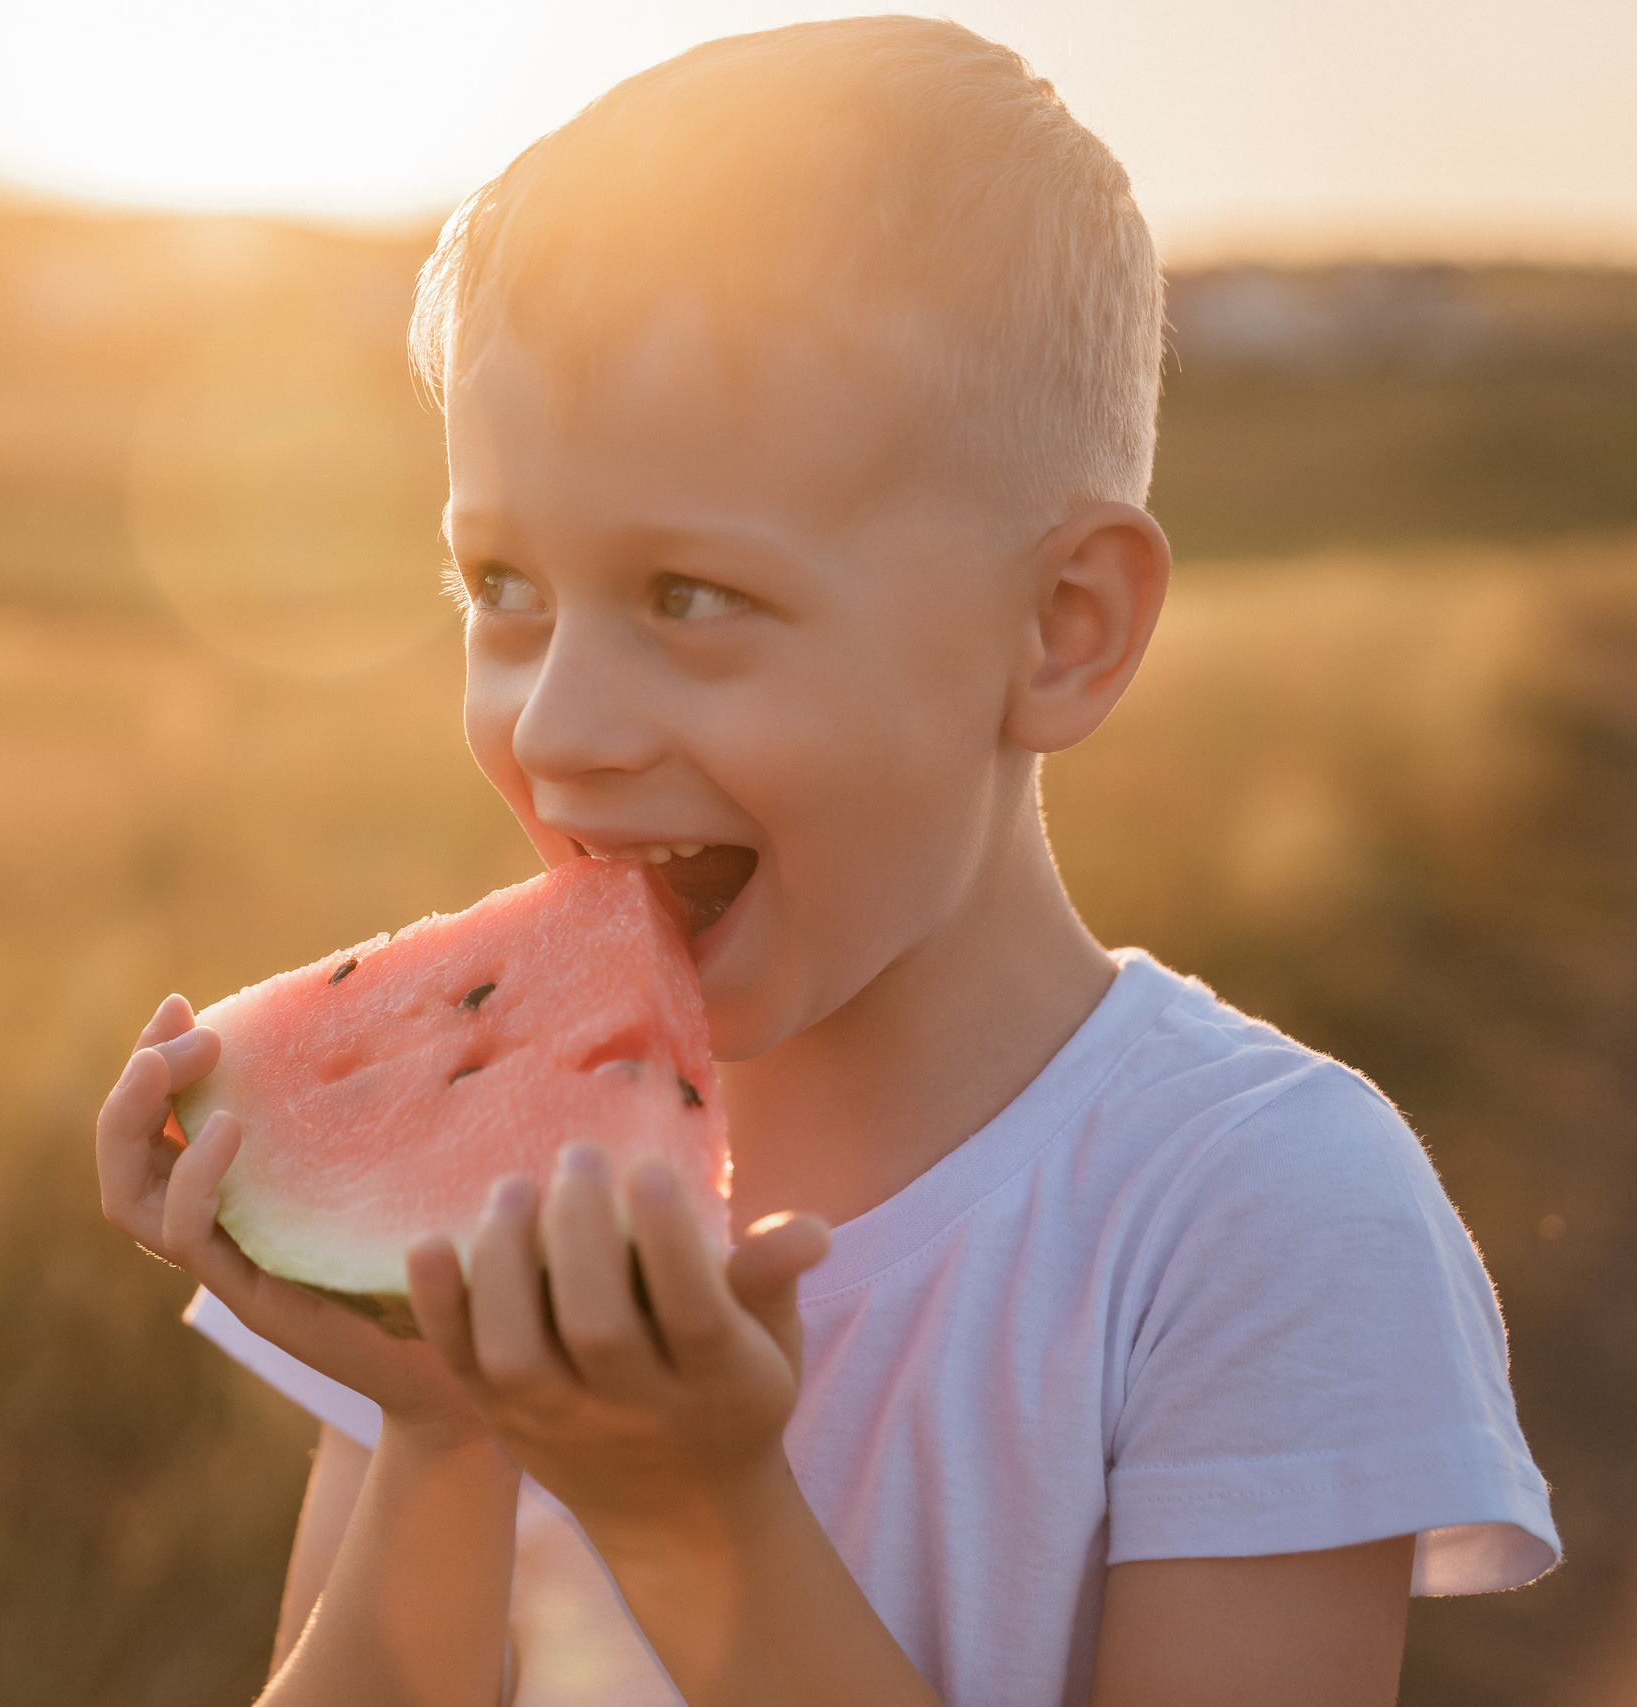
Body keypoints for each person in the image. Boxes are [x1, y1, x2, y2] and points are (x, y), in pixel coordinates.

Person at [95, 17, 1559, 1705]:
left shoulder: (1250, 1212)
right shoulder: (498, 1194)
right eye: (500, 588)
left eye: (691, 598)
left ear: (1060, 629)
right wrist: (444, 1438)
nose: (556, 726)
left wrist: (695, 1514)